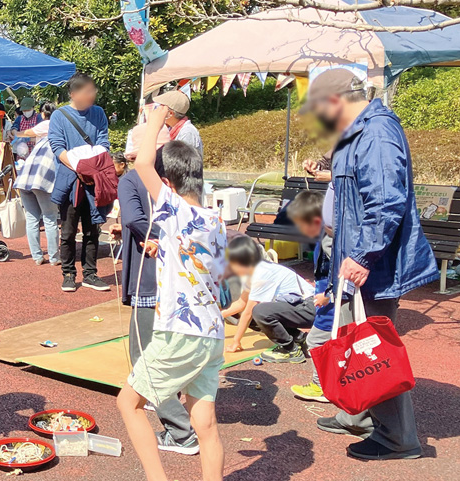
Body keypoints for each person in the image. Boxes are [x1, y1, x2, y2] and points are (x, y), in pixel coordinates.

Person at [300, 68, 438, 460]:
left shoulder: (375, 132)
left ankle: (398, 439)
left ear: (334, 101)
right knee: (354, 342)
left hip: (372, 265)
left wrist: (362, 256)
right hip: (357, 262)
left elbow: (386, 201)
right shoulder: (359, 132)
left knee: (372, 351)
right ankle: (361, 418)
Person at [116, 106, 226, 481]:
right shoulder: (215, 220)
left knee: (128, 402)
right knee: (205, 424)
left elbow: (143, 161)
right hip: (211, 332)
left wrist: (156, 117)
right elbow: (217, 273)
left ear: (169, 183)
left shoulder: (174, 207)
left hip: (180, 330)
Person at [111, 124, 201, 457]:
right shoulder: (180, 176)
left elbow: (136, 219)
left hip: (151, 276)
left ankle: (180, 431)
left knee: (144, 356)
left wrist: (158, 239)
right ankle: (189, 421)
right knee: (176, 350)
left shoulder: (131, 179)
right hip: (186, 282)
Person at [48, 73, 111, 293]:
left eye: (93, 91)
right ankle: (68, 273)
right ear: (74, 94)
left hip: (95, 181)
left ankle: (90, 274)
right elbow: (58, 148)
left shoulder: (99, 113)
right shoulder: (59, 116)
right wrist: (80, 168)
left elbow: (104, 142)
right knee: (67, 231)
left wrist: (91, 169)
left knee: (92, 228)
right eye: (87, 92)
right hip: (70, 181)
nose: (91, 95)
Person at [221, 236, 314, 362]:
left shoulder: (260, 274)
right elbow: (241, 303)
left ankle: (290, 349)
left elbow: (248, 312)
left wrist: (235, 342)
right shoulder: (252, 271)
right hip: (299, 305)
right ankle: (300, 339)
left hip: (309, 307)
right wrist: (218, 315)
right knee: (257, 315)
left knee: (259, 312)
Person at [286, 190, 334, 403]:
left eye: (301, 226)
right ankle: (332, 383)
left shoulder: (328, 240)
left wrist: (328, 293)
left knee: (315, 341)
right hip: (329, 296)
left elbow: (340, 268)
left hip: (330, 303)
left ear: (315, 221)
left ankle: (320, 386)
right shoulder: (325, 236)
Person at [13, 103, 60, 266]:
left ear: (42, 114)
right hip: (42, 180)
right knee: (50, 218)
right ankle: (54, 257)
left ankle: (37, 256)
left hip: (25, 178)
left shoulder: (42, 136)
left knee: (32, 218)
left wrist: (14, 133)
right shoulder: (57, 133)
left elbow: (27, 133)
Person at [152, 90, 203, 158]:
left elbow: (183, 162)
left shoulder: (187, 132)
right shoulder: (170, 129)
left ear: (170, 113)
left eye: (161, 108)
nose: (157, 110)